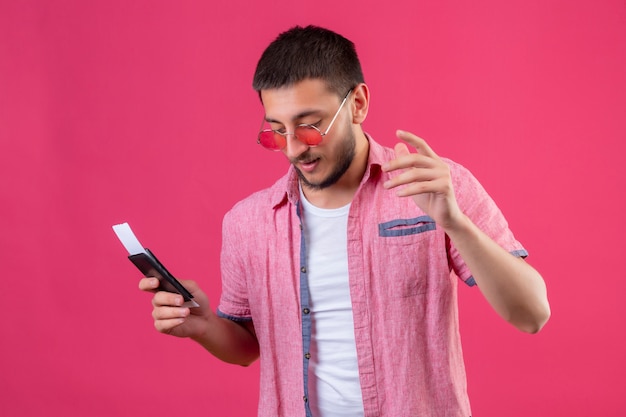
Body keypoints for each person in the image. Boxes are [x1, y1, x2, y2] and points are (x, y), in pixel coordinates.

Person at [139, 25, 550, 417]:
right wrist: (204, 325)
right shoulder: (248, 223)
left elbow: (531, 314)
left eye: (310, 126)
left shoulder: (437, 185)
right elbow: (248, 348)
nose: (294, 148)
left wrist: (455, 222)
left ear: (357, 104)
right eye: (277, 131)